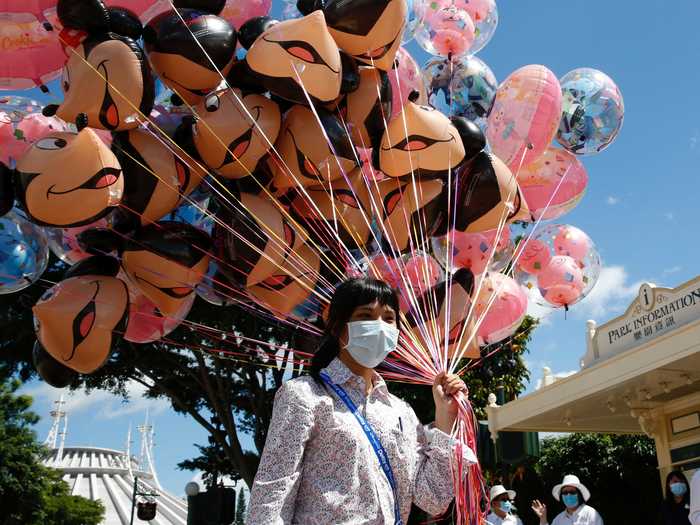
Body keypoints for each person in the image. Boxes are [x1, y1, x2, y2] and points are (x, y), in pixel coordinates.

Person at [246, 277, 476, 524]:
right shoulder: (304, 395)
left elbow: (431, 498)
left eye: (388, 319)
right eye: (366, 315)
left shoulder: (401, 412)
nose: (379, 326)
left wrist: (445, 417)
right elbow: (270, 497)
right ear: (337, 326)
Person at [531, 474, 603, 525]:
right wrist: (543, 518)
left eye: (572, 492)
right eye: (565, 492)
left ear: (579, 494)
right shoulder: (558, 519)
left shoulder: (591, 514)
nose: (568, 495)